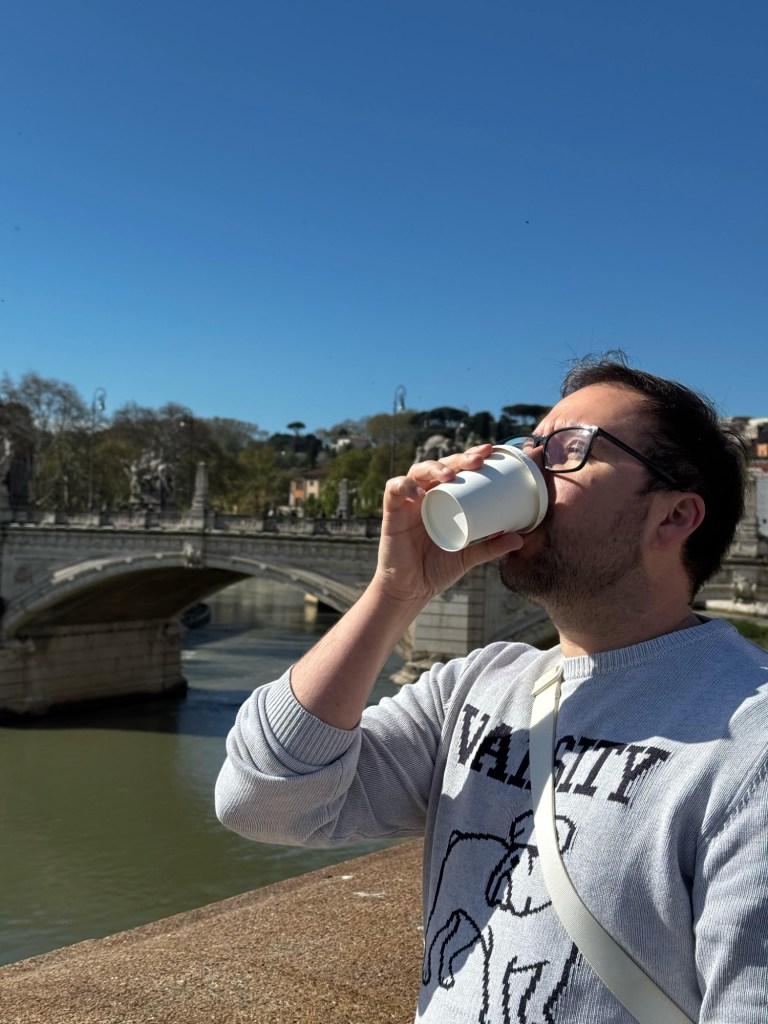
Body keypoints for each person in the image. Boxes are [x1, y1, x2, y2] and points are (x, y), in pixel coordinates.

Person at [215, 355, 767, 1023]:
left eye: (567, 452)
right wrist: (395, 593)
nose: (529, 469)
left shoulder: (750, 742)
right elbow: (262, 800)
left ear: (674, 517)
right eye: (527, 447)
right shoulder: (477, 684)